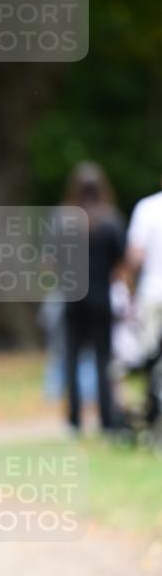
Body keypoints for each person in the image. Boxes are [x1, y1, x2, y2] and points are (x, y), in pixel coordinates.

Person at [62, 162, 126, 434]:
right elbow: (121, 263)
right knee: (102, 359)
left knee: (72, 359)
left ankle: (74, 421)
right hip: (101, 298)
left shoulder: (65, 220)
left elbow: (49, 262)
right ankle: (106, 420)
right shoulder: (110, 220)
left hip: (72, 298)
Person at [126, 178, 162, 428]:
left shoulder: (147, 208)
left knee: (152, 358)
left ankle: (154, 416)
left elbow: (134, 256)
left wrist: (128, 291)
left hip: (152, 292)